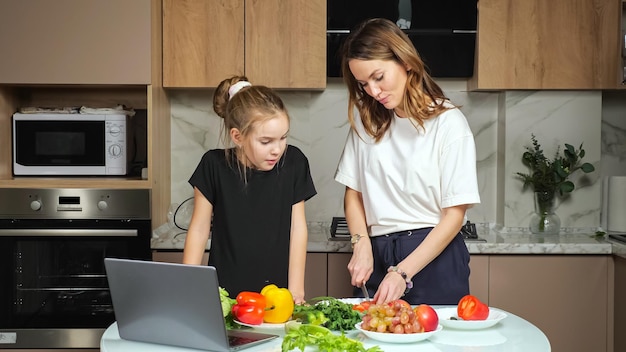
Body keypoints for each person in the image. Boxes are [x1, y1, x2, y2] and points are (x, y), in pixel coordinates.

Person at [334, 18, 481, 305]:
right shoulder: (367, 123)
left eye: (379, 77)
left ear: (406, 62)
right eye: (363, 83)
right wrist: (360, 243)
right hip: (377, 254)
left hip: (433, 257)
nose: (373, 91)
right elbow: (354, 193)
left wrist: (402, 272)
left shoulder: (448, 123)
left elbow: (454, 215)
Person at [183, 76, 317, 304]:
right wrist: (188, 287)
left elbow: (297, 228)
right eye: (266, 141)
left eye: (283, 138)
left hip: (277, 296)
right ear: (238, 137)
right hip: (225, 295)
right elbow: (199, 229)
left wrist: (296, 291)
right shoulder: (213, 166)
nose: (277, 149)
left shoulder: (294, 162)